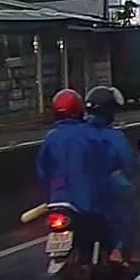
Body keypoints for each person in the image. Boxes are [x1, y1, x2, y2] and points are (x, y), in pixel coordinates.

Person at [83, 86, 140, 264]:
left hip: (78, 189)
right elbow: (129, 162)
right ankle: (121, 249)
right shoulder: (113, 136)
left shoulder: (76, 132)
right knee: (133, 205)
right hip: (106, 186)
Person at [36, 89, 102, 225]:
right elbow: (104, 163)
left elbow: (42, 170)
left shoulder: (51, 137)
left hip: (56, 202)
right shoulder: (91, 134)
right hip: (86, 203)